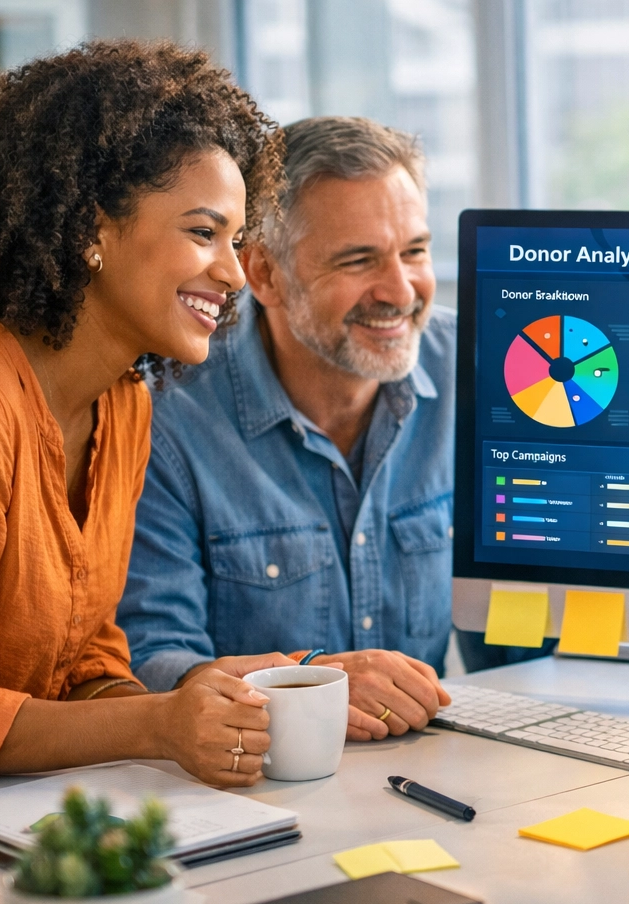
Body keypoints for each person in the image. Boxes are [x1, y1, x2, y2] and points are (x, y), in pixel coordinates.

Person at [0, 42, 287, 787]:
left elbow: (85, 657)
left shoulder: (124, 402)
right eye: (202, 232)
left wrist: (196, 715)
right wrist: (155, 722)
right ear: (92, 231)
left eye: (237, 239)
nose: (232, 272)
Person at [117, 116, 465, 741]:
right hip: (257, 787)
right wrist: (310, 683)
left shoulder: (480, 371)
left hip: (432, 771)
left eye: (414, 251)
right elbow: (150, 662)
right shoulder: (167, 416)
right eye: (359, 261)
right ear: (266, 275)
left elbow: (526, 608)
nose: (401, 289)